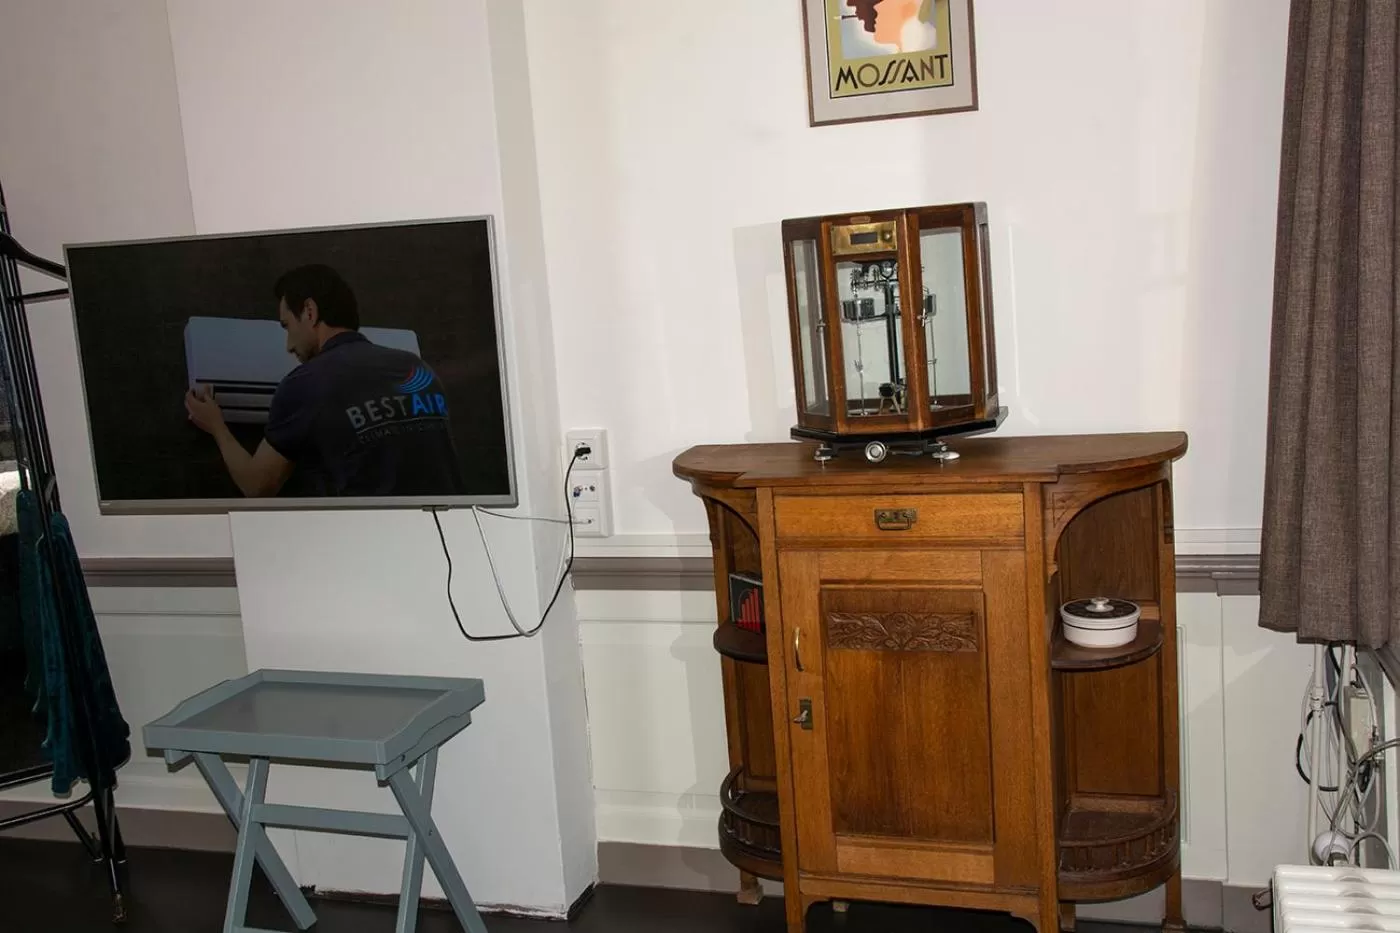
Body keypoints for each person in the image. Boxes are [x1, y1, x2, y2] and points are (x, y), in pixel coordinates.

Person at [184, 264, 466, 498]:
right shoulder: (416, 366)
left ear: (310, 311)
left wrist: (216, 426)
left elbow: (258, 486)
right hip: (452, 536)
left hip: (381, 542)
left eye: (287, 326)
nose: (287, 345)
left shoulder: (306, 382)